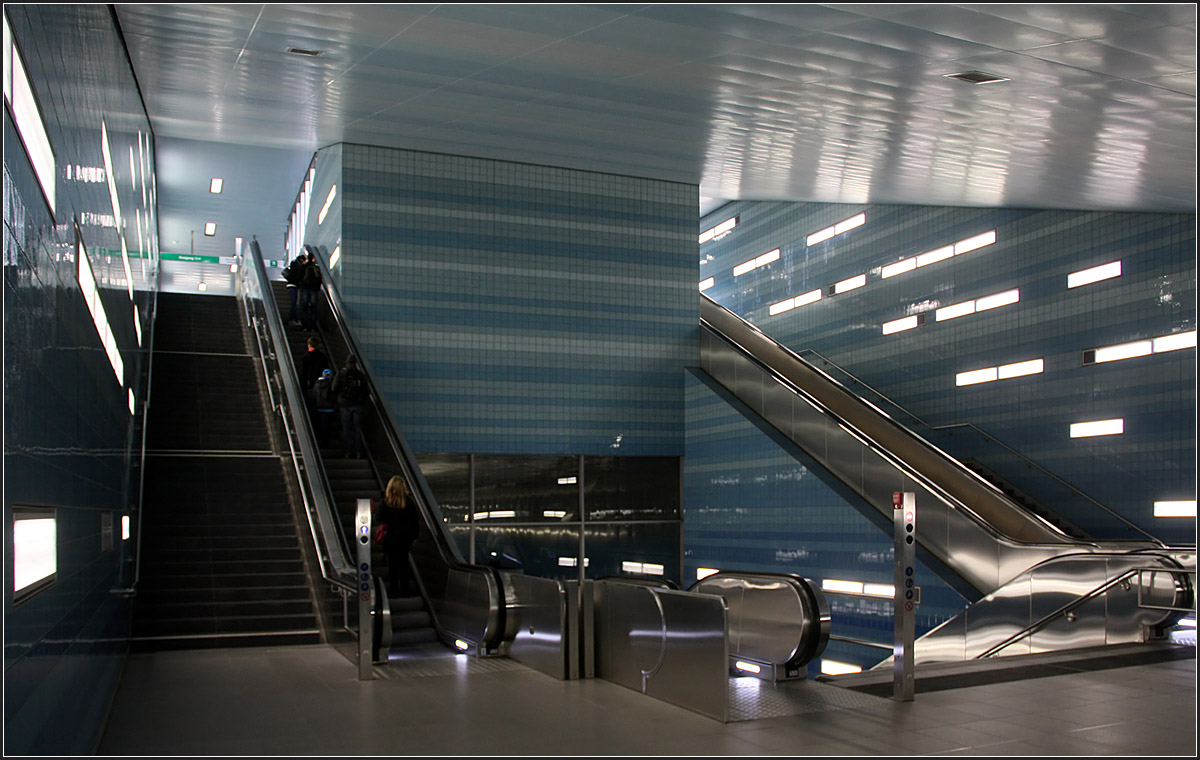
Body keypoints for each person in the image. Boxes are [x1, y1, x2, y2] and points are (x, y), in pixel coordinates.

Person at [378, 475, 421, 596]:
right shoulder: (409, 502)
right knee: (404, 562)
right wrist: (415, 537)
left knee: (393, 564)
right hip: (406, 538)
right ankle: (405, 589)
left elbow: (379, 518)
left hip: (391, 538)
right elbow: (415, 520)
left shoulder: (386, 502)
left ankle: (393, 589)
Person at [332, 353, 368, 458]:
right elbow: (366, 390)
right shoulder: (360, 375)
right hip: (357, 405)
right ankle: (358, 452)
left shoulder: (341, 373)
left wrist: (337, 400)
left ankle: (347, 452)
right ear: (356, 363)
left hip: (344, 404)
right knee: (357, 429)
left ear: (346, 362)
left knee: (346, 428)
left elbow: (334, 388)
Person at [310, 369, 337, 446]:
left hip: (319, 408)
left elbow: (314, 396)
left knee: (319, 426)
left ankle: (319, 441)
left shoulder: (317, 384)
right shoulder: (331, 384)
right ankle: (326, 442)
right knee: (327, 427)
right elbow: (333, 395)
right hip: (329, 409)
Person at [298, 253, 323, 331]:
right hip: (314, 289)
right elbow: (320, 278)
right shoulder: (316, 267)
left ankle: (304, 326)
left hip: (305, 288)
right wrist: (317, 288)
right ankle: (313, 327)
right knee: (313, 308)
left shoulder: (304, 266)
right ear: (313, 258)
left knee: (304, 307)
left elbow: (300, 277)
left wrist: (301, 286)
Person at [282, 252, 306, 326]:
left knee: (294, 303)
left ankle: (293, 319)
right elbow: (299, 277)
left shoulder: (293, 264)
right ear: (302, 260)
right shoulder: (299, 267)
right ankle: (292, 319)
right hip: (294, 285)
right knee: (294, 303)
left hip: (290, 285)